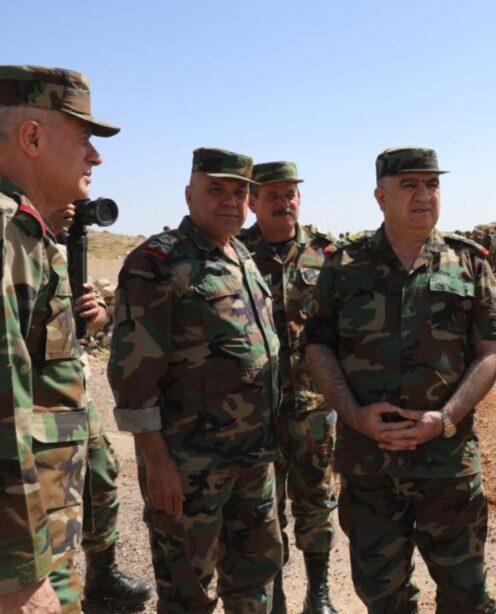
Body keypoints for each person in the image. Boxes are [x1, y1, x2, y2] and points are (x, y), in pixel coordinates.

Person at [306, 146, 496, 614]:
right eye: (409, 185)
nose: (424, 196)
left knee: (467, 594)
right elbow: (318, 345)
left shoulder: (468, 262)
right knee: (383, 596)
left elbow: (492, 349)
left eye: (432, 184)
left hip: (447, 465)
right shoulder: (344, 265)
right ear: (381, 196)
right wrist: (354, 416)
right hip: (369, 466)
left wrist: (447, 418)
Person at [108, 147, 284, 613]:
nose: (230, 201)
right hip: (189, 467)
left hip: (252, 459)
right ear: (189, 194)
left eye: (239, 192)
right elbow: (133, 376)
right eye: (216, 190)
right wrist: (158, 463)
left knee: (253, 580)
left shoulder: (242, 254)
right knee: (188, 592)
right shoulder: (157, 262)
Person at [0, 64, 119, 614]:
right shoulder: (5, 239)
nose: (94, 156)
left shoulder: (30, 234)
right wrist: (19, 575)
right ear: (32, 137)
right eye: (84, 139)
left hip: (47, 535)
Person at [237, 161, 338, 614]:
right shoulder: (235, 255)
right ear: (253, 201)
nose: (284, 203)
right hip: (255, 412)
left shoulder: (326, 254)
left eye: (290, 194)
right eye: (272, 195)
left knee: (317, 500)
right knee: (265, 508)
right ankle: (274, 598)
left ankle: (318, 594)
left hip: (314, 407)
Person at [44, 204, 155, 609]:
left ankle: (102, 575)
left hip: (72, 383)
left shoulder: (50, 243)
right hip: (37, 397)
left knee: (100, 475)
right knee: (49, 498)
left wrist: (94, 315)